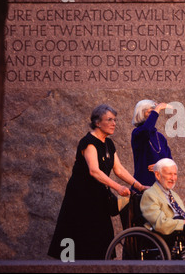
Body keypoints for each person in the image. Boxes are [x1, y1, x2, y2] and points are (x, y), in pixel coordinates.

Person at [48, 104, 146, 260]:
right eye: (109, 119)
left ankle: (100, 264)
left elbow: (118, 169)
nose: (114, 123)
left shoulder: (109, 144)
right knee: (80, 233)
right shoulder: (88, 142)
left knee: (103, 232)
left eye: (115, 119)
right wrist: (118, 187)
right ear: (97, 123)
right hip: (81, 196)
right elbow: (94, 170)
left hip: (98, 194)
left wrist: (139, 186)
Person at [131, 100, 173, 191]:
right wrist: (158, 108)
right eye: (150, 112)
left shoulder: (160, 137)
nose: (154, 114)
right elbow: (146, 130)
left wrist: (161, 166)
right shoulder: (137, 133)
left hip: (162, 187)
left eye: (154, 112)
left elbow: (170, 162)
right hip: (144, 187)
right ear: (141, 113)